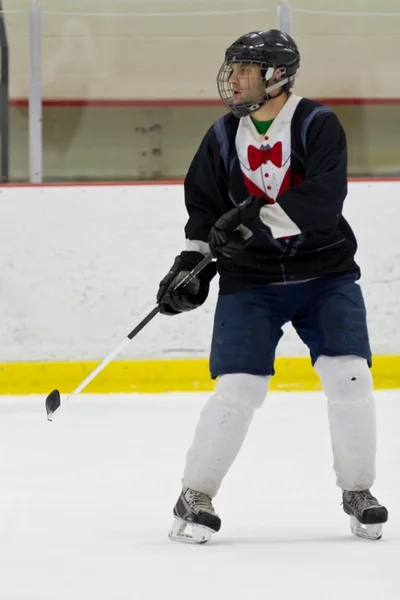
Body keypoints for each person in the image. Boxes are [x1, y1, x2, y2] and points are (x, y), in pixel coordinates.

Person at [156, 29, 388, 544]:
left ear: (277, 76)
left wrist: (253, 224)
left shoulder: (316, 124)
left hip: (325, 274)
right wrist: (190, 268)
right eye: (233, 68)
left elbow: (324, 202)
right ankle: (195, 493)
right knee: (239, 387)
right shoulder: (221, 136)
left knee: (349, 376)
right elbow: (205, 213)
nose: (233, 79)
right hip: (252, 282)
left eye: (245, 69)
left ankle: (358, 491)